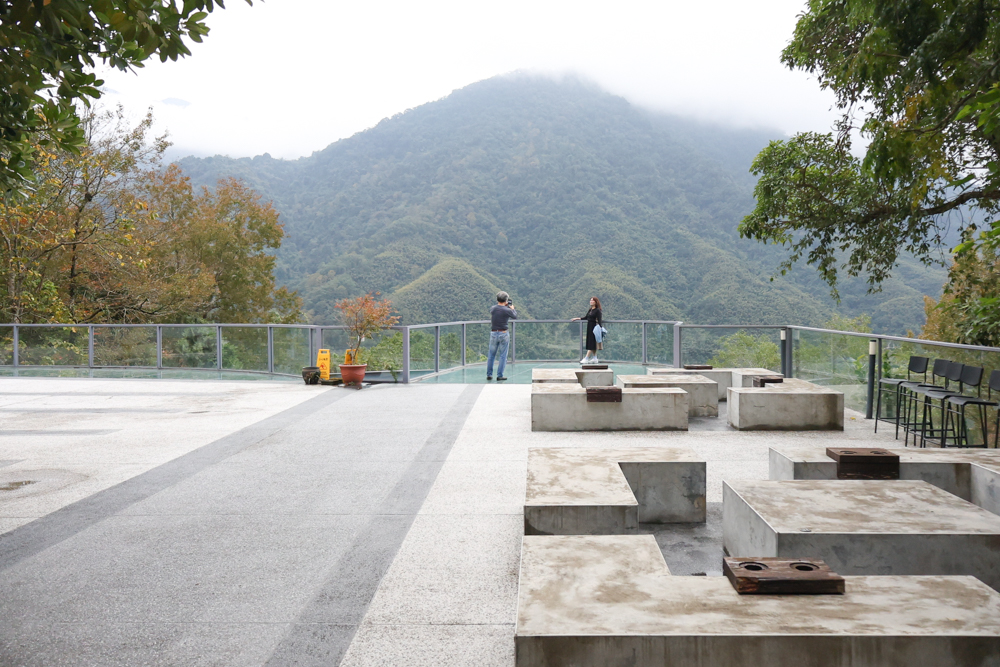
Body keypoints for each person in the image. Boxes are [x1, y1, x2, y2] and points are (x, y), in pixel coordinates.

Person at [487, 291, 517, 381]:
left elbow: (497, 309)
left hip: (493, 333)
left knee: (491, 355)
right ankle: (499, 375)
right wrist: (512, 309)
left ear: (497, 299)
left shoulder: (493, 308)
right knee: (503, 355)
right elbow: (515, 316)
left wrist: (504, 305)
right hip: (503, 333)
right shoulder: (507, 310)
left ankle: (489, 374)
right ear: (506, 300)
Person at [572, 297, 603, 364]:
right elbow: (586, 317)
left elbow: (599, 320)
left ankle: (586, 358)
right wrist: (577, 318)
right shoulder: (590, 310)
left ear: (595, 302)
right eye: (590, 300)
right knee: (591, 343)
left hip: (594, 328)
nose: (591, 301)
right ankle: (595, 358)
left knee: (591, 343)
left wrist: (599, 329)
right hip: (589, 327)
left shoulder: (598, 310)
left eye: (592, 300)